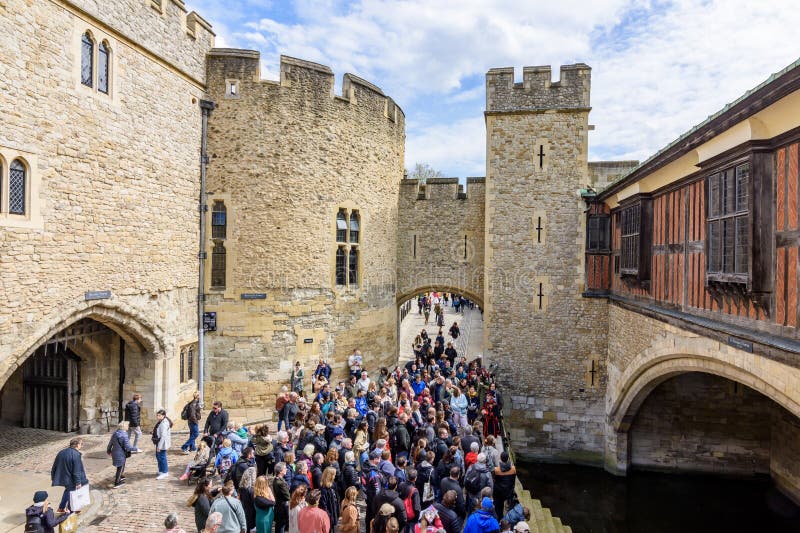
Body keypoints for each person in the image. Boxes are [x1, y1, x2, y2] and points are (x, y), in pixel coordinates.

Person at [50, 437, 89, 512]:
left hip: (64, 477)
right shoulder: (76, 455)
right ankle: (71, 510)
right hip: (71, 478)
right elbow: (76, 470)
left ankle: (61, 508)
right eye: (81, 444)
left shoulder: (61, 452)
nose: (81, 445)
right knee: (72, 493)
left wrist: (53, 476)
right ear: (77, 445)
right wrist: (78, 482)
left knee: (68, 490)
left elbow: (55, 465)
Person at [107, 421, 134, 488]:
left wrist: (108, 450)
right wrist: (136, 449)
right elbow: (128, 447)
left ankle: (120, 476)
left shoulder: (115, 433)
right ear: (124, 427)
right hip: (121, 453)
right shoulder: (124, 435)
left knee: (121, 465)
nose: (128, 427)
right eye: (127, 426)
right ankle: (117, 482)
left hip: (115, 452)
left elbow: (110, 443)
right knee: (120, 467)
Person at [492, 452, 517, 517]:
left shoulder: (496, 470)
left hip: (499, 491)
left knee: (498, 507)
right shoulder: (513, 469)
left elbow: (494, 479)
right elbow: (513, 479)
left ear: (500, 458)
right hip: (509, 490)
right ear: (508, 458)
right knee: (510, 504)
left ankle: (500, 517)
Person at [153, 408, 173, 479]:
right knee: (158, 457)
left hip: (162, 443)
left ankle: (165, 472)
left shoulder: (164, 423)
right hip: (158, 441)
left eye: (159, 415)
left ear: (163, 415)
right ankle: (161, 470)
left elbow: (163, 436)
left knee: (162, 457)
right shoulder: (161, 421)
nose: (158, 417)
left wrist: (159, 447)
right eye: (157, 415)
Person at [318, 467, 339, 533]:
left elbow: (336, 499)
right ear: (330, 476)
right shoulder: (323, 490)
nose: (335, 476)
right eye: (334, 475)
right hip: (328, 517)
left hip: (333, 514)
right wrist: (329, 517)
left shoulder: (333, 486)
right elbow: (324, 506)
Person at [273, 462, 291, 533]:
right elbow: (287, 496)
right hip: (282, 507)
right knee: (281, 526)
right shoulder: (281, 482)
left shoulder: (276, 480)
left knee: (279, 525)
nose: (286, 469)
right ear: (280, 471)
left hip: (279, 505)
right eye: (285, 468)